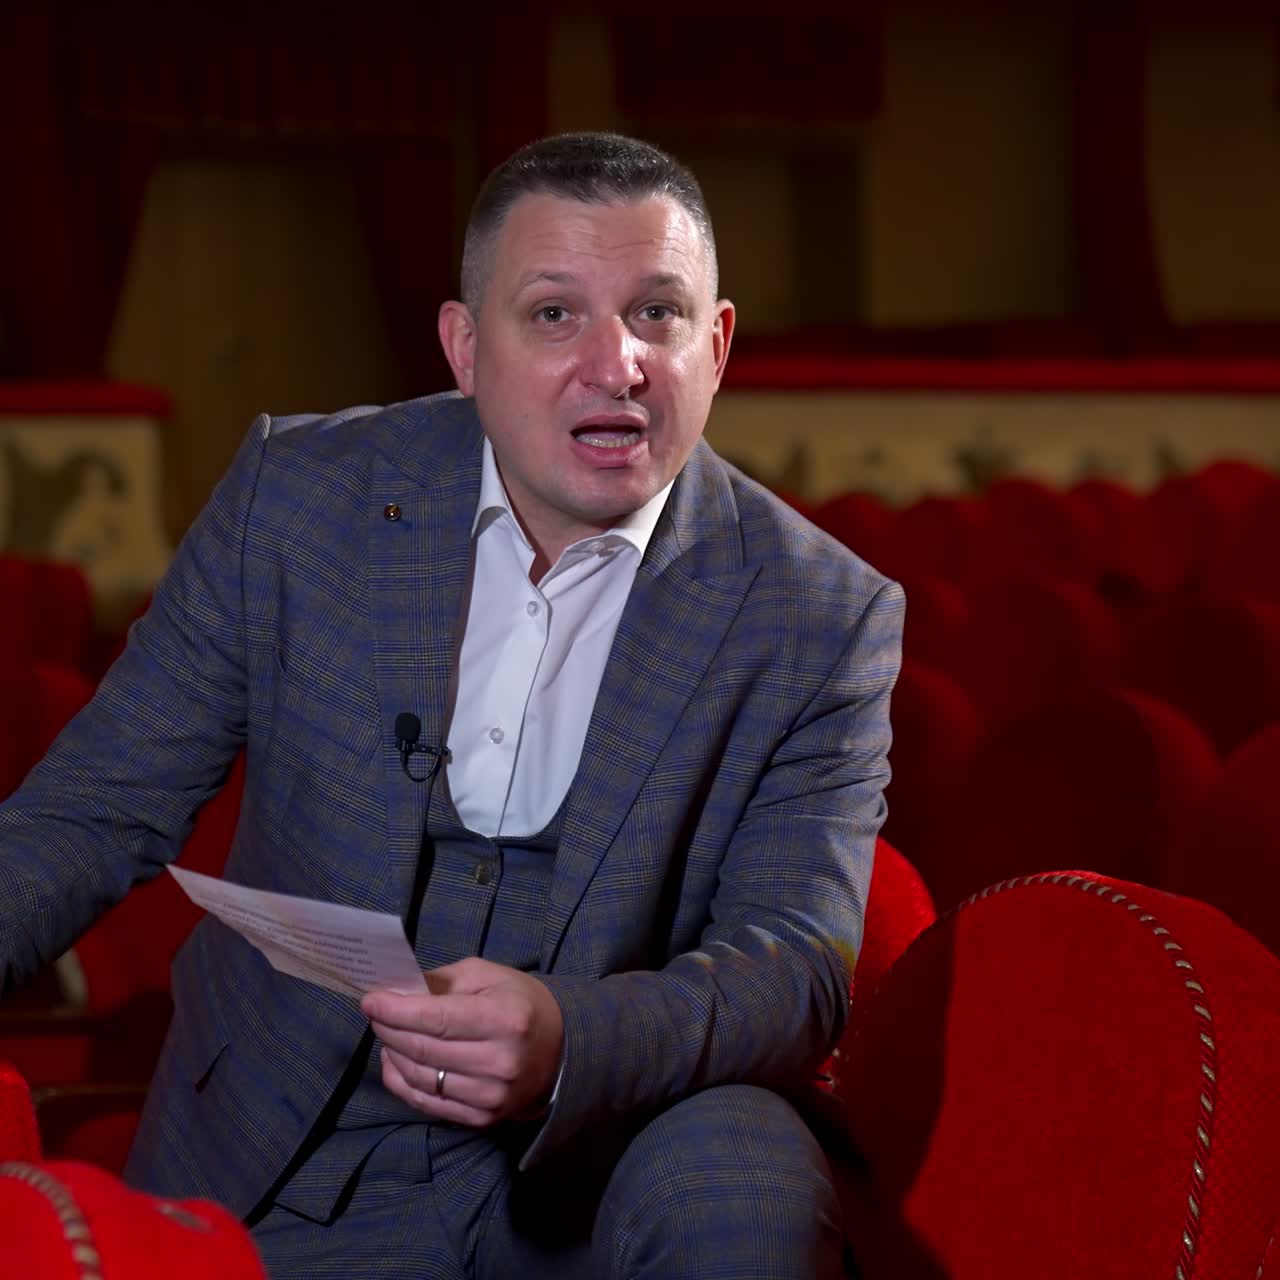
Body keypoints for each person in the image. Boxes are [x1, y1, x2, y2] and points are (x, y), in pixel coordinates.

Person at [0, 132, 903, 1278]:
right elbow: (93, 808)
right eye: (553, 314)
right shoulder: (297, 498)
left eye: (658, 313)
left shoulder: (822, 611)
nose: (616, 363)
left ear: (715, 346)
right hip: (293, 1142)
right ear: (465, 347)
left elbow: (795, 963)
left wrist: (572, 1037)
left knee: (752, 1158)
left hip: (598, 1157)